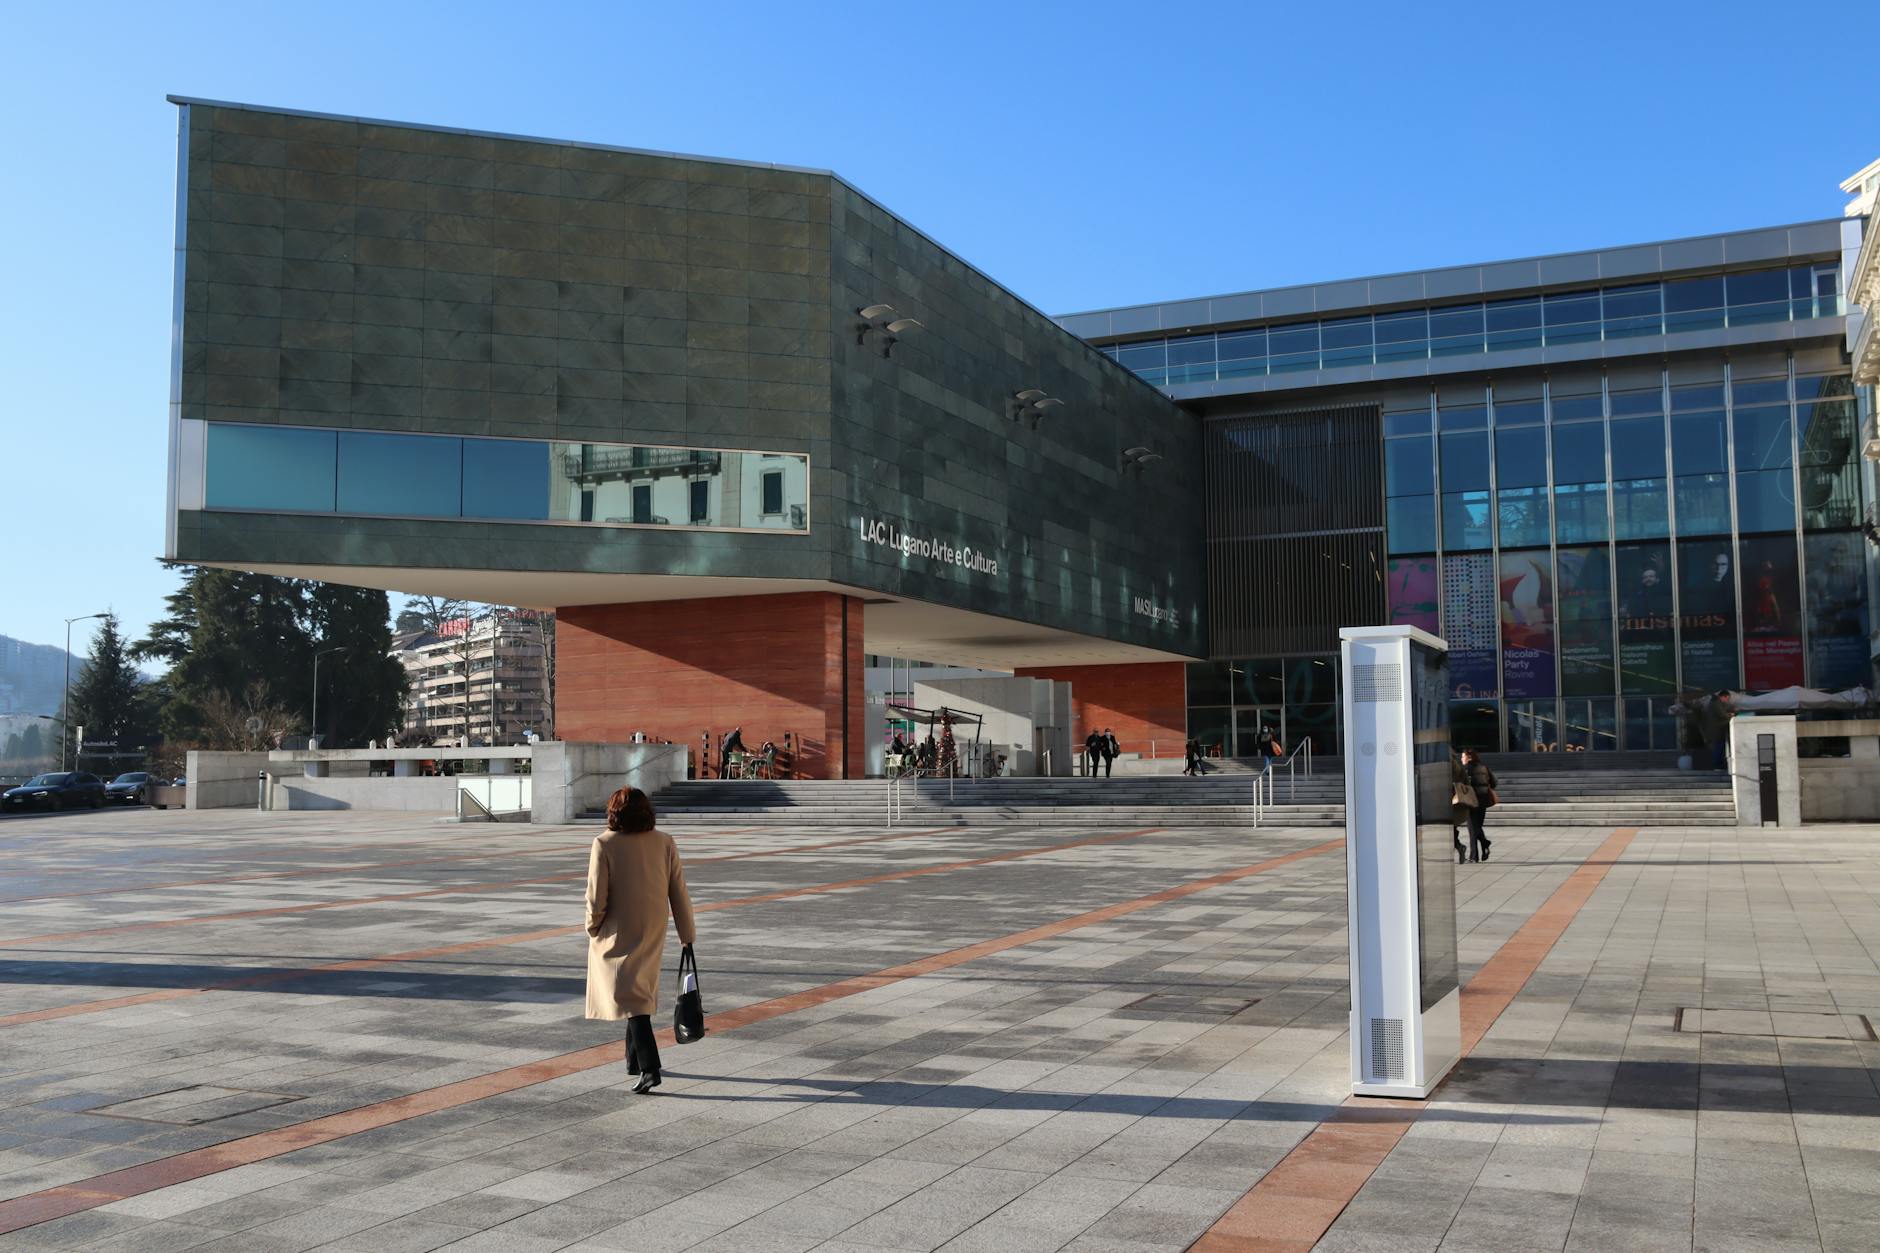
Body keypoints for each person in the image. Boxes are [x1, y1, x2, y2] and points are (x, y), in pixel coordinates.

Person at [585, 786, 697, 1095]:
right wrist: (687, 934)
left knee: (630, 996)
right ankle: (633, 1061)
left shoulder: (604, 843)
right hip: (653, 927)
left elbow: (597, 896)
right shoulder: (664, 841)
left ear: (614, 812)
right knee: (635, 991)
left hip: (619, 930)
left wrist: (592, 928)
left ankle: (649, 1067)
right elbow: (679, 891)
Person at [1460, 748, 1497, 863]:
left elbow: (1460, 785)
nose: (1461, 759)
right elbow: (1494, 783)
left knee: (1473, 829)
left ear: (1469, 758)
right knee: (1477, 827)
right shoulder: (1484, 767)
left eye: (1463, 756)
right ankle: (1482, 848)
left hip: (1471, 801)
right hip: (1483, 801)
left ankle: (1475, 854)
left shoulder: (1465, 770)